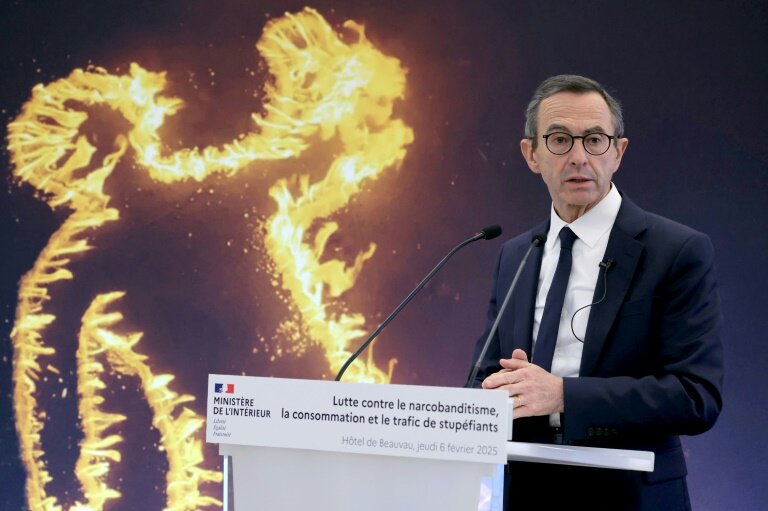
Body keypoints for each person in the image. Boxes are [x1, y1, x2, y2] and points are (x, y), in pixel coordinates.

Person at [469, 75, 723, 510]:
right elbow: (484, 375)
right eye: (559, 140)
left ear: (618, 152)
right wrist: (489, 395)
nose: (579, 157)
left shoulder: (676, 251)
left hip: (630, 495)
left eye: (594, 140)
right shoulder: (515, 254)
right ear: (531, 154)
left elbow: (696, 396)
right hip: (525, 491)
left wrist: (563, 395)